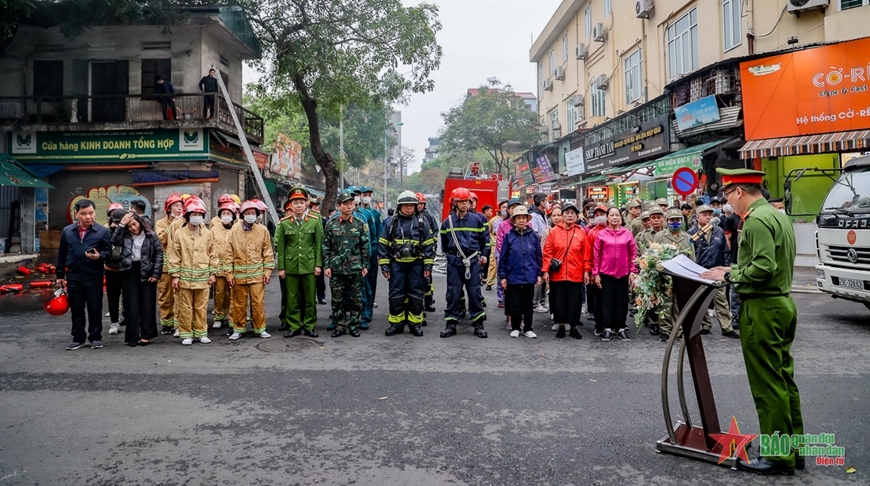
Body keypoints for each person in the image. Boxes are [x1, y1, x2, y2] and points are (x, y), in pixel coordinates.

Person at [700, 168, 803, 475]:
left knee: (768, 385)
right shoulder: (776, 216)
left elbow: (762, 267)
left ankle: (777, 456)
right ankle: (792, 449)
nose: (729, 203)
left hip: (762, 306)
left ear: (740, 192)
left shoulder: (756, 220)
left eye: (729, 196)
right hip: (781, 303)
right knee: (784, 381)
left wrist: (730, 274)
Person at [57, 199, 112, 350]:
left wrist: (99, 256)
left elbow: (109, 252)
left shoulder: (102, 232)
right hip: (73, 276)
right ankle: (78, 338)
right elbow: (61, 254)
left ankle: (95, 337)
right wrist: (60, 275)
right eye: (84, 214)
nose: (88, 217)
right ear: (77, 214)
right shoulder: (67, 231)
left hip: (93, 276)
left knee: (95, 307)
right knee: (76, 308)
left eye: (91, 213)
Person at [379, 191, 435, 337]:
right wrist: (385, 265)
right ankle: (396, 324)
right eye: (406, 206)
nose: (409, 208)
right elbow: (383, 245)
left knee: (416, 295)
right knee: (396, 294)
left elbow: (429, 245)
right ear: (399, 207)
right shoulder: (391, 223)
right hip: (396, 265)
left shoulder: (422, 222)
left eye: (412, 206)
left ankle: (415, 324)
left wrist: (428, 266)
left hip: (416, 265)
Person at [440, 187, 489, 338]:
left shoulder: (477, 220)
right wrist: (452, 258)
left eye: (466, 201)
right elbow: (444, 244)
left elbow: (485, 242)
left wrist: (483, 256)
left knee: (475, 293)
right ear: (454, 203)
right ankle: (451, 324)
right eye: (461, 201)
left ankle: (478, 324)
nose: (465, 204)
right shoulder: (447, 223)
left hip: (472, 262)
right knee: (453, 294)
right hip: (454, 263)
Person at [167, 198, 218, 346]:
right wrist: (175, 276)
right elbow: (174, 255)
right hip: (185, 279)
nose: (196, 216)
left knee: (201, 307)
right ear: (188, 215)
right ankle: (187, 334)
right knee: (185, 307)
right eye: (194, 213)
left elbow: (213, 254)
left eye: (199, 214)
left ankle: (201, 333)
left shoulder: (207, 234)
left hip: (203, 278)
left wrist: (213, 273)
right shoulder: (179, 234)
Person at [276, 187, 322, 338]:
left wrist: (318, 265)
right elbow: (281, 247)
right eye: (295, 203)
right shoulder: (284, 223)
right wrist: (281, 268)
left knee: (310, 299)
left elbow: (318, 245)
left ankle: (309, 326)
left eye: (301, 202)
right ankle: (294, 325)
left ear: (306, 204)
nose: (299, 205)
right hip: (291, 267)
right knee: (292, 298)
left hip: (309, 266)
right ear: (290, 205)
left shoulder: (314, 222)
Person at [323, 189, 370, 338]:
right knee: (337, 300)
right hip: (337, 269)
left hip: (355, 268)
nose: (349, 206)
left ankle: (354, 325)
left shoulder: (360, 223)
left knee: (356, 300)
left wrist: (364, 265)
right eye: (345, 204)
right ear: (338, 206)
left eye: (351, 204)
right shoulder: (331, 224)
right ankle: (339, 325)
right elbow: (326, 246)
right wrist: (327, 265)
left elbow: (365, 246)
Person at [689, 205, 740, 339]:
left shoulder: (718, 231)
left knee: (721, 300)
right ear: (697, 217)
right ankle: (706, 325)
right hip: (700, 271)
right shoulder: (692, 233)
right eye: (704, 214)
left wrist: (725, 267)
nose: (708, 217)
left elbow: (725, 250)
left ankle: (727, 328)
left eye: (710, 215)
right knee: (702, 299)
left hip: (717, 270)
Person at [226, 201, 275, 340]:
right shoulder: (234, 230)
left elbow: (268, 252)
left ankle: (260, 328)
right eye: (247, 213)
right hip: (239, 275)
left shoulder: (262, 230)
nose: (250, 216)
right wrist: (229, 274)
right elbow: (228, 253)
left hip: (257, 275)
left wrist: (268, 272)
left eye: (253, 213)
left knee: (258, 303)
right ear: (242, 215)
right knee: (239, 303)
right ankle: (238, 328)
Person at [542, 202, 591, 339]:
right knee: (559, 301)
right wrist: (545, 271)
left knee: (575, 301)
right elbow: (547, 253)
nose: (570, 216)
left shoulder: (581, 232)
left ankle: (574, 327)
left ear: (576, 216)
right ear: (562, 216)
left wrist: (586, 271)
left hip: (576, 273)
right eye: (567, 213)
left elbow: (586, 254)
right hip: (558, 274)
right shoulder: (554, 232)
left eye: (572, 213)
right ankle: (561, 326)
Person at [113, 211, 163, 346]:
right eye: (129, 226)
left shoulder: (150, 235)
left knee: (147, 304)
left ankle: (146, 335)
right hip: (129, 270)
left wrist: (156, 274)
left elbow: (158, 254)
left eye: (134, 224)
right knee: (131, 305)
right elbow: (114, 241)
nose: (133, 228)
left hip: (147, 270)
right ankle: (132, 336)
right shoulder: (124, 235)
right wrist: (122, 224)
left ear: (139, 222)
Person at [592, 207, 638, 342]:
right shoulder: (601, 234)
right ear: (607, 217)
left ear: (620, 217)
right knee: (606, 302)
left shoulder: (627, 234)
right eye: (611, 215)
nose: (614, 218)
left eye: (617, 215)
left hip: (623, 273)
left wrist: (633, 271)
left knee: (622, 302)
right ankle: (607, 328)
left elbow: (633, 254)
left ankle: (621, 328)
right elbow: (596, 255)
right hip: (605, 273)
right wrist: (596, 273)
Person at [498, 205, 542, 338]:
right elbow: (503, 257)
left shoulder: (533, 236)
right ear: (514, 220)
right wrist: (503, 276)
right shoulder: (509, 236)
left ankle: (528, 327)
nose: (521, 220)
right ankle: (516, 327)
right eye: (519, 218)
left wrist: (539, 273)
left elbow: (538, 256)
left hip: (529, 275)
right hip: (513, 275)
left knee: (528, 304)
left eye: (524, 218)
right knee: (515, 303)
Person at [653, 208, 695, 342]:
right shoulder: (660, 236)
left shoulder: (688, 237)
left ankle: (679, 330)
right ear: (667, 221)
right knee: (665, 303)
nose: (675, 223)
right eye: (672, 220)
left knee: (679, 304)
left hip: (682, 275)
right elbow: (654, 256)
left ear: (682, 221)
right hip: (665, 274)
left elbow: (692, 257)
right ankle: (665, 330)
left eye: (677, 220)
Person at [155, 193, 183, 335]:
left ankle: (179, 323)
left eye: (180, 206)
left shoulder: (185, 222)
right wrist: (173, 225)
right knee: (165, 295)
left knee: (180, 296)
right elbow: (162, 240)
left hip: (180, 266)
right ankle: (167, 323)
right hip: (165, 267)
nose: (179, 209)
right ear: (168, 208)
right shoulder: (160, 223)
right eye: (175, 206)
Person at [209, 201, 236, 329]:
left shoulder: (238, 228)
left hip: (233, 268)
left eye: (228, 213)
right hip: (219, 268)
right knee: (219, 293)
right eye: (224, 213)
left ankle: (232, 317)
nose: (226, 215)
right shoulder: (214, 229)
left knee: (233, 294)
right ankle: (219, 316)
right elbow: (210, 247)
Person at [359, 186, 383, 329]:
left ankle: (368, 309)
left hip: (371, 252)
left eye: (369, 194)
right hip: (355, 255)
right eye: (364, 194)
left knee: (370, 282)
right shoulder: (355, 212)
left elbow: (378, 234)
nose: (366, 196)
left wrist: (377, 251)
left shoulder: (374, 214)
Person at [496, 198, 522, 310]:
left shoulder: (528, 225)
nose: (514, 210)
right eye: (512, 208)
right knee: (508, 286)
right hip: (507, 260)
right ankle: (510, 314)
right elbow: (500, 243)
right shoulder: (503, 225)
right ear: (508, 210)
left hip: (522, 261)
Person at [104, 204, 126, 335]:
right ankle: (114, 322)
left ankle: (128, 319)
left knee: (129, 297)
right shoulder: (106, 232)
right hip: (111, 269)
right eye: (116, 222)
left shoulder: (129, 231)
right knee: (113, 297)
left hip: (126, 269)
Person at [416, 192, 439, 312]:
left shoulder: (429, 217)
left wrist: (431, 244)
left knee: (427, 278)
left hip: (427, 252)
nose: (420, 206)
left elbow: (435, 231)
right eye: (418, 203)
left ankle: (429, 301)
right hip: (415, 254)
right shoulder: (412, 217)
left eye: (422, 204)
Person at [309, 196, 328, 305]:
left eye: (315, 205)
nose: (314, 207)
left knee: (319, 277)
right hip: (307, 251)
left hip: (318, 251)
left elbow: (322, 235)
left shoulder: (320, 218)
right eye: (312, 205)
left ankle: (321, 296)